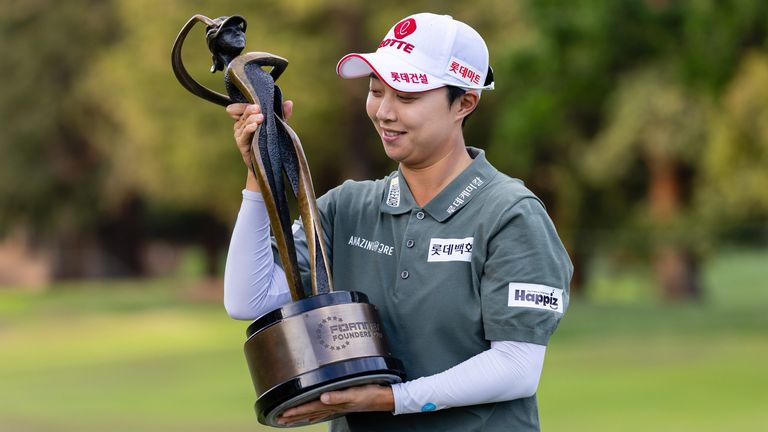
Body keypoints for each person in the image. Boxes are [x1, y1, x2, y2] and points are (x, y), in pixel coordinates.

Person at [223, 12, 572, 432]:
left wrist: (392, 400)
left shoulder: (510, 213)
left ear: (465, 102)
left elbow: (517, 365)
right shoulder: (347, 207)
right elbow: (248, 299)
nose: (384, 112)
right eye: (375, 91)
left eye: (406, 97)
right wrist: (259, 170)